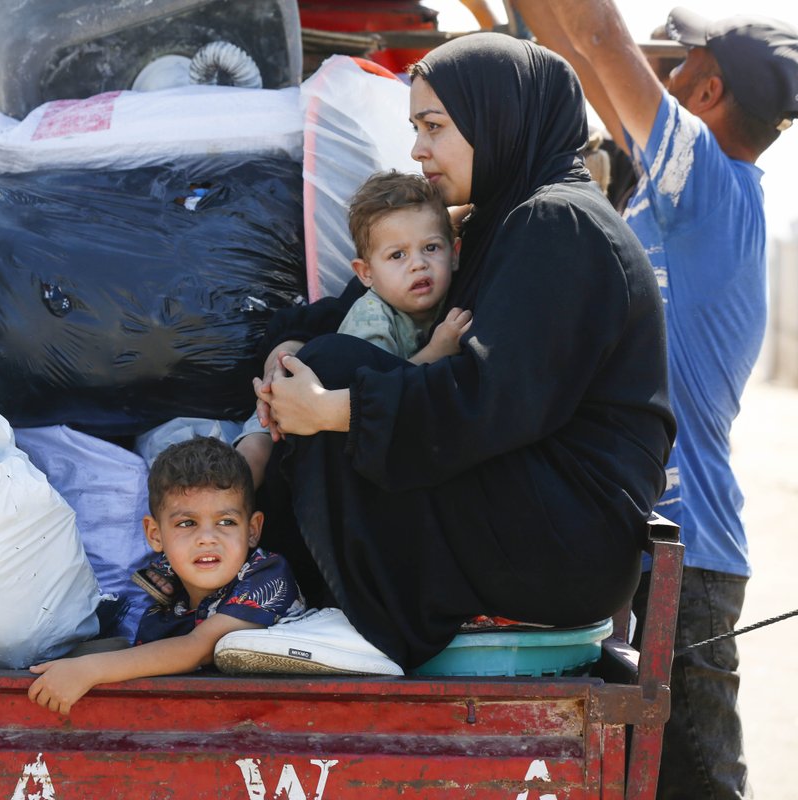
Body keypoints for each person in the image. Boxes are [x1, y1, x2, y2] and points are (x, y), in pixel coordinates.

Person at [236, 32, 674, 676]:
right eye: (416, 129)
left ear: (498, 118)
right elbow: (377, 301)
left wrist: (332, 409)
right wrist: (288, 349)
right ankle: (293, 601)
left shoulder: (559, 224)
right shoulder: (503, 220)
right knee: (323, 357)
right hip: (536, 517)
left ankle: (373, 625)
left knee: (336, 371)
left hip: (563, 541)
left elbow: (490, 399)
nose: (418, 149)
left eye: (434, 126)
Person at [513, 4, 798, 797]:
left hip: (686, 559)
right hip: (654, 550)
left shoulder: (703, 179)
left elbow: (601, 38)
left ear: (708, 92)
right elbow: (580, 60)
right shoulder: (695, 196)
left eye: (682, 63)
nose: (663, 76)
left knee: (700, 785)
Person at [27, 436, 307, 715]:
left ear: (253, 529)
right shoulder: (167, 585)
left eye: (226, 522)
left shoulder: (267, 575)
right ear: (155, 535)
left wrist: (90, 670)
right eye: (187, 523)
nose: (207, 538)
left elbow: (197, 648)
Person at [235, 170, 473, 488]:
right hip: (295, 402)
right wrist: (435, 352)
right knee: (255, 453)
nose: (418, 264)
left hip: (322, 410)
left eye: (431, 248)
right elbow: (374, 394)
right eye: (398, 255)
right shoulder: (372, 319)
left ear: (454, 254)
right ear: (365, 273)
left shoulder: (440, 299)